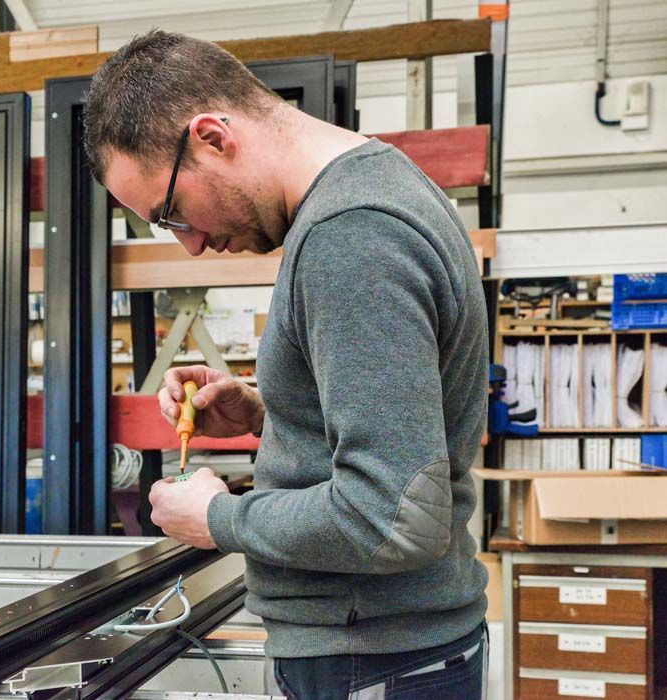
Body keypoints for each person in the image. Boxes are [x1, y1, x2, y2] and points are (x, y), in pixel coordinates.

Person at [82, 31, 489, 699]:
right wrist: (269, 410)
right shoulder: (376, 186)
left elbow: (393, 518)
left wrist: (219, 517)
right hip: (385, 652)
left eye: (172, 213)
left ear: (212, 137)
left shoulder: (350, 237)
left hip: (371, 660)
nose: (191, 246)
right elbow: (408, 422)